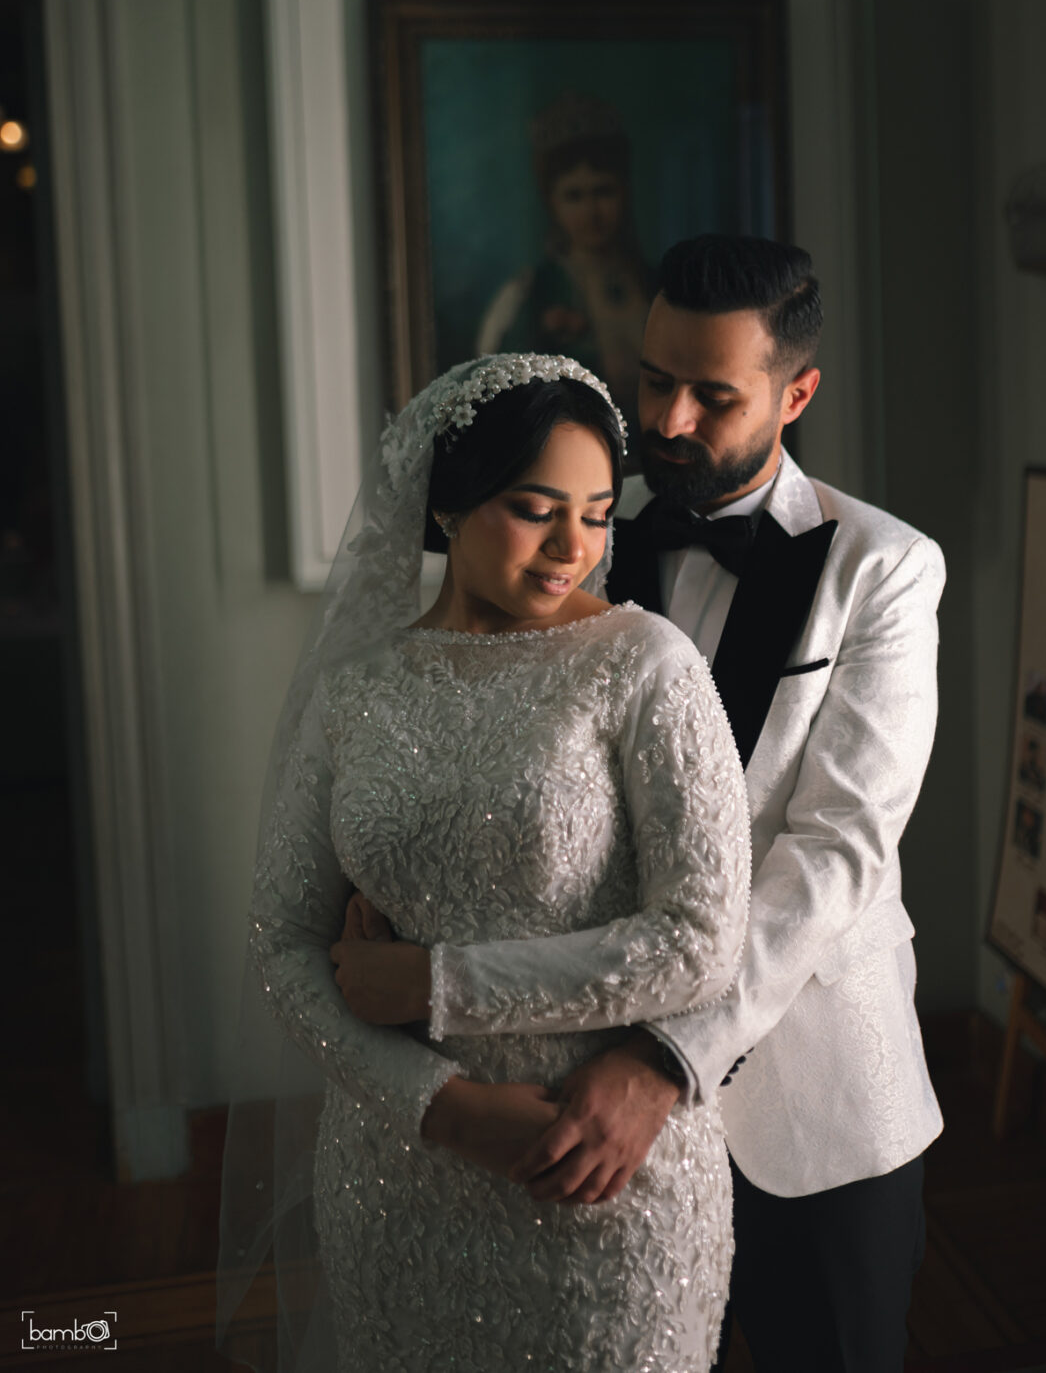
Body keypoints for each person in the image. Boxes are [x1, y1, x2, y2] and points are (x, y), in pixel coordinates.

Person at [217, 353, 750, 1373]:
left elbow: (701, 940)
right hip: (400, 1181)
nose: (573, 547)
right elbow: (283, 942)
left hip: (597, 1174)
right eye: (535, 509)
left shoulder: (645, 665)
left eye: (597, 514)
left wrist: (434, 982)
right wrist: (443, 1107)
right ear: (449, 506)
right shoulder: (356, 692)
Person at [511, 237, 946, 1373]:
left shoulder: (886, 568)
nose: (669, 421)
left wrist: (667, 1058)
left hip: (819, 1102)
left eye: (714, 395)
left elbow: (835, 849)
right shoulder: (582, 541)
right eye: (655, 379)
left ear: (797, 394)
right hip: (590, 1084)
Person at [475, 92, 654, 431]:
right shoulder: (529, 295)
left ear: (624, 192)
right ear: (552, 203)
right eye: (574, 196)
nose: (591, 212)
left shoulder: (655, 284)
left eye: (603, 191)